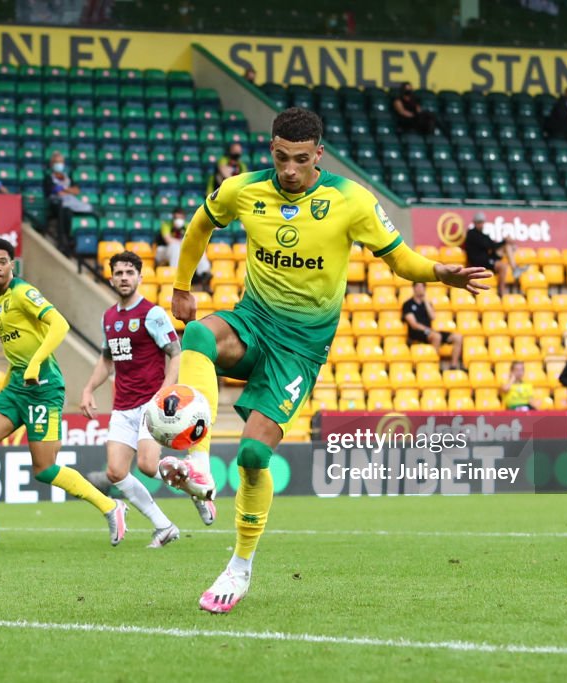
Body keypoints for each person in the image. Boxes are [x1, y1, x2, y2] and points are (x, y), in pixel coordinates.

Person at [160, 107, 489, 613]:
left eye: (298, 159)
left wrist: (438, 272)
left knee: (251, 459)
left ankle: (239, 567)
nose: (288, 170)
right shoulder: (243, 189)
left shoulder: (350, 200)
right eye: (279, 157)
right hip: (253, 320)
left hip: (300, 347)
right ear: (270, 149)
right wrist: (181, 286)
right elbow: (202, 224)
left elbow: (399, 259)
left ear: (318, 154)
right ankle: (198, 462)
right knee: (200, 333)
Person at [0, 237, 128, 549]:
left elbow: (59, 324)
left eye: (2, 262)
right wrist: (10, 381)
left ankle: (111, 507)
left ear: (11, 264)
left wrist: (34, 365)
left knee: (44, 470)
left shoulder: (23, 292)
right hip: (17, 386)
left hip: (42, 388)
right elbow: (15, 349)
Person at [79, 251, 216, 548]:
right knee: (115, 472)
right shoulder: (109, 317)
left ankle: (196, 485)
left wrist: (165, 392)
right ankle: (163, 525)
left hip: (150, 404)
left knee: (148, 466)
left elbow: (175, 353)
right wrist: (89, 388)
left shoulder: (152, 313)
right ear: (112, 277)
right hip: (122, 406)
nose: (124, 278)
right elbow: (106, 360)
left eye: (130, 272)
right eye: (119, 273)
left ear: (140, 278)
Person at [402, 282, 463, 369]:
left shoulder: (427, 303)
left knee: (458, 337)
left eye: (422, 286)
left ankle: (453, 366)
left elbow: (433, 317)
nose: (420, 288)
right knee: (436, 336)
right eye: (418, 286)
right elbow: (413, 324)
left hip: (429, 332)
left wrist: (426, 301)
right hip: (417, 333)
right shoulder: (408, 304)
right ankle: (435, 366)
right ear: (414, 288)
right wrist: (428, 330)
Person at [463, 211, 523, 296]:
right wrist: (504, 240)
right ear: (475, 223)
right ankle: (502, 291)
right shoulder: (472, 233)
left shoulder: (483, 235)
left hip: (486, 258)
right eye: (479, 222)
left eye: (482, 222)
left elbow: (491, 245)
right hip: (479, 261)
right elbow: (489, 245)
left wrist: (506, 242)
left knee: (507, 246)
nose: (481, 224)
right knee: (503, 266)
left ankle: (515, 268)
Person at [156, 207, 212, 286]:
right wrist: (183, 243)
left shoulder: (187, 225)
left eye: (180, 218)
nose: (178, 220)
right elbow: (168, 240)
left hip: (181, 250)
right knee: (174, 247)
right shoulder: (166, 224)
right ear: (173, 217)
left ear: (184, 218)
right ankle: (176, 275)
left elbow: (193, 240)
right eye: (176, 218)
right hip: (164, 251)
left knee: (198, 248)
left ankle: (204, 272)